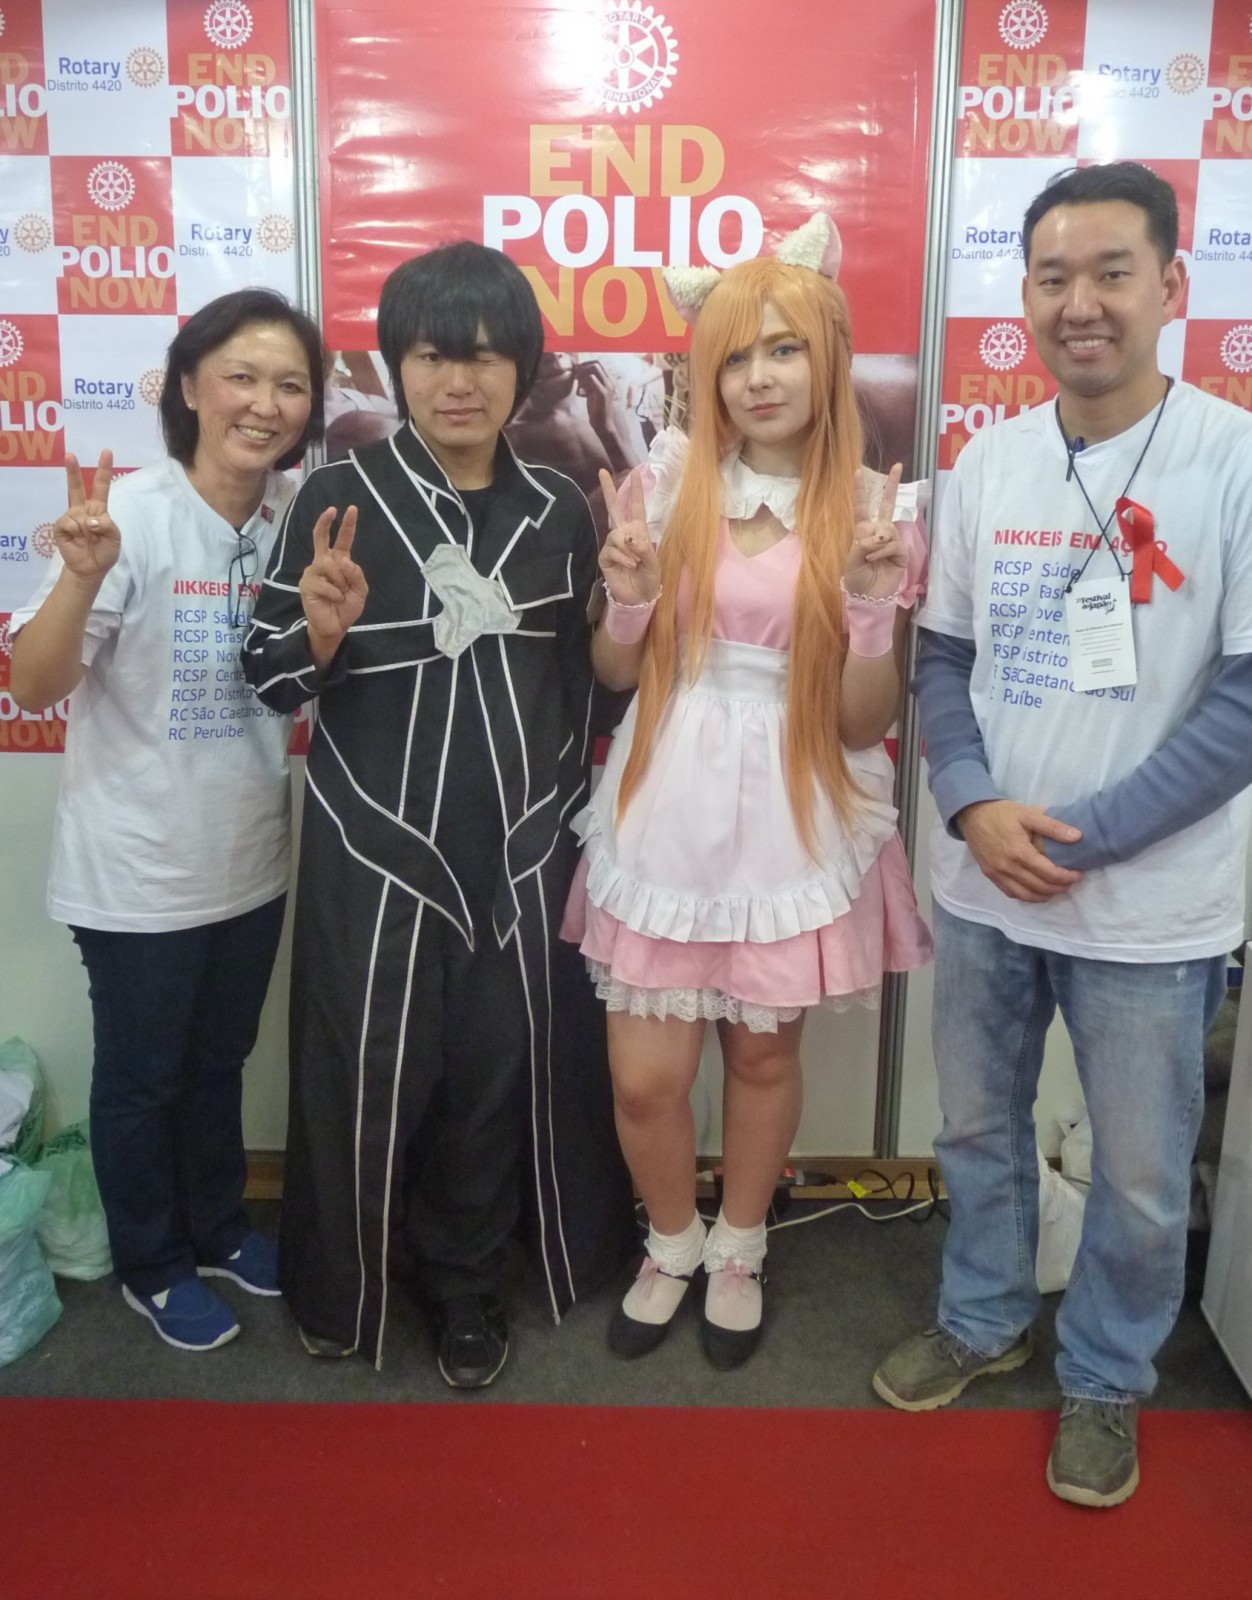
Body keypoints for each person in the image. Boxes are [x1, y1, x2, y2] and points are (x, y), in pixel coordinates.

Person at [872, 162, 1252, 1508]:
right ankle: (983, 1315)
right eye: (1052, 277)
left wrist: (1085, 838)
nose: (1079, 303)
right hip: (985, 883)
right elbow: (941, 660)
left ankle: (1105, 1373)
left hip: (1153, 905)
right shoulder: (989, 462)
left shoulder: (1233, 458)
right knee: (977, 1129)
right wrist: (973, 805)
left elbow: (1245, 701)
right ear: (1024, 295)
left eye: (1110, 273)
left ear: (1172, 286)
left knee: (1142, 1177)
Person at [243, 241, 633, 1383]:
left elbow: (596, 690)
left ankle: (468, 1287)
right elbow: (268, 677)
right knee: (360, 1073)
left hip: (521, 847)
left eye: (485, 356)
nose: (459, 381)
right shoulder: (337, 498)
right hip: (373, 845)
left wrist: (635, 607)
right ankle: (343, 1285)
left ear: (524, 369)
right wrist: (319, 633)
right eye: (430, 356)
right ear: (394, 365)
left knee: (492, 1076)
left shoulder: (559, 508)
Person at [561, 219, 932, 1369]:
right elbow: (614, 674)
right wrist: (627, 599)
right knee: (645, 1076)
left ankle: (738, 1244)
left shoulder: (872, 509)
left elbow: (863, 721)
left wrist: (868, 607)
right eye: (733, 355)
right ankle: (669, 1240)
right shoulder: (664, 484)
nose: (758, 377)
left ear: (827, 358)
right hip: (667, 791)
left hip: (792, 797)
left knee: (762, 1057)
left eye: (782, 349)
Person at [8, 288, 326, 1352]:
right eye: (242, 376)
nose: (265, 404)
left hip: (250, 859)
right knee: (143, 1081)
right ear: (190, 385)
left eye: (289, 384)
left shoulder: (296, 522)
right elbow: (36, 684)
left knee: (220, 1064)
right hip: (135, 871)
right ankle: (152, 1261)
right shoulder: (132, 515)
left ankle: (221, 1227)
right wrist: (79, 579)